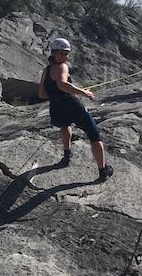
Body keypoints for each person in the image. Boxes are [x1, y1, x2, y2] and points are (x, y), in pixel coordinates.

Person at [38, 38, 114, 181]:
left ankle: (67, 156)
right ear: (54, 53)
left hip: (56, 106)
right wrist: (84, 92)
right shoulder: (63, 67)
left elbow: (41, 93)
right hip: (71, 105)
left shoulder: (46, 70)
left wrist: (56, 96)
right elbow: (62, 84)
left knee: (64, 125)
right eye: (62, 53)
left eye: (67, 54)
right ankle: (103, 170)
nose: (64, 57)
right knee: (94, 134)